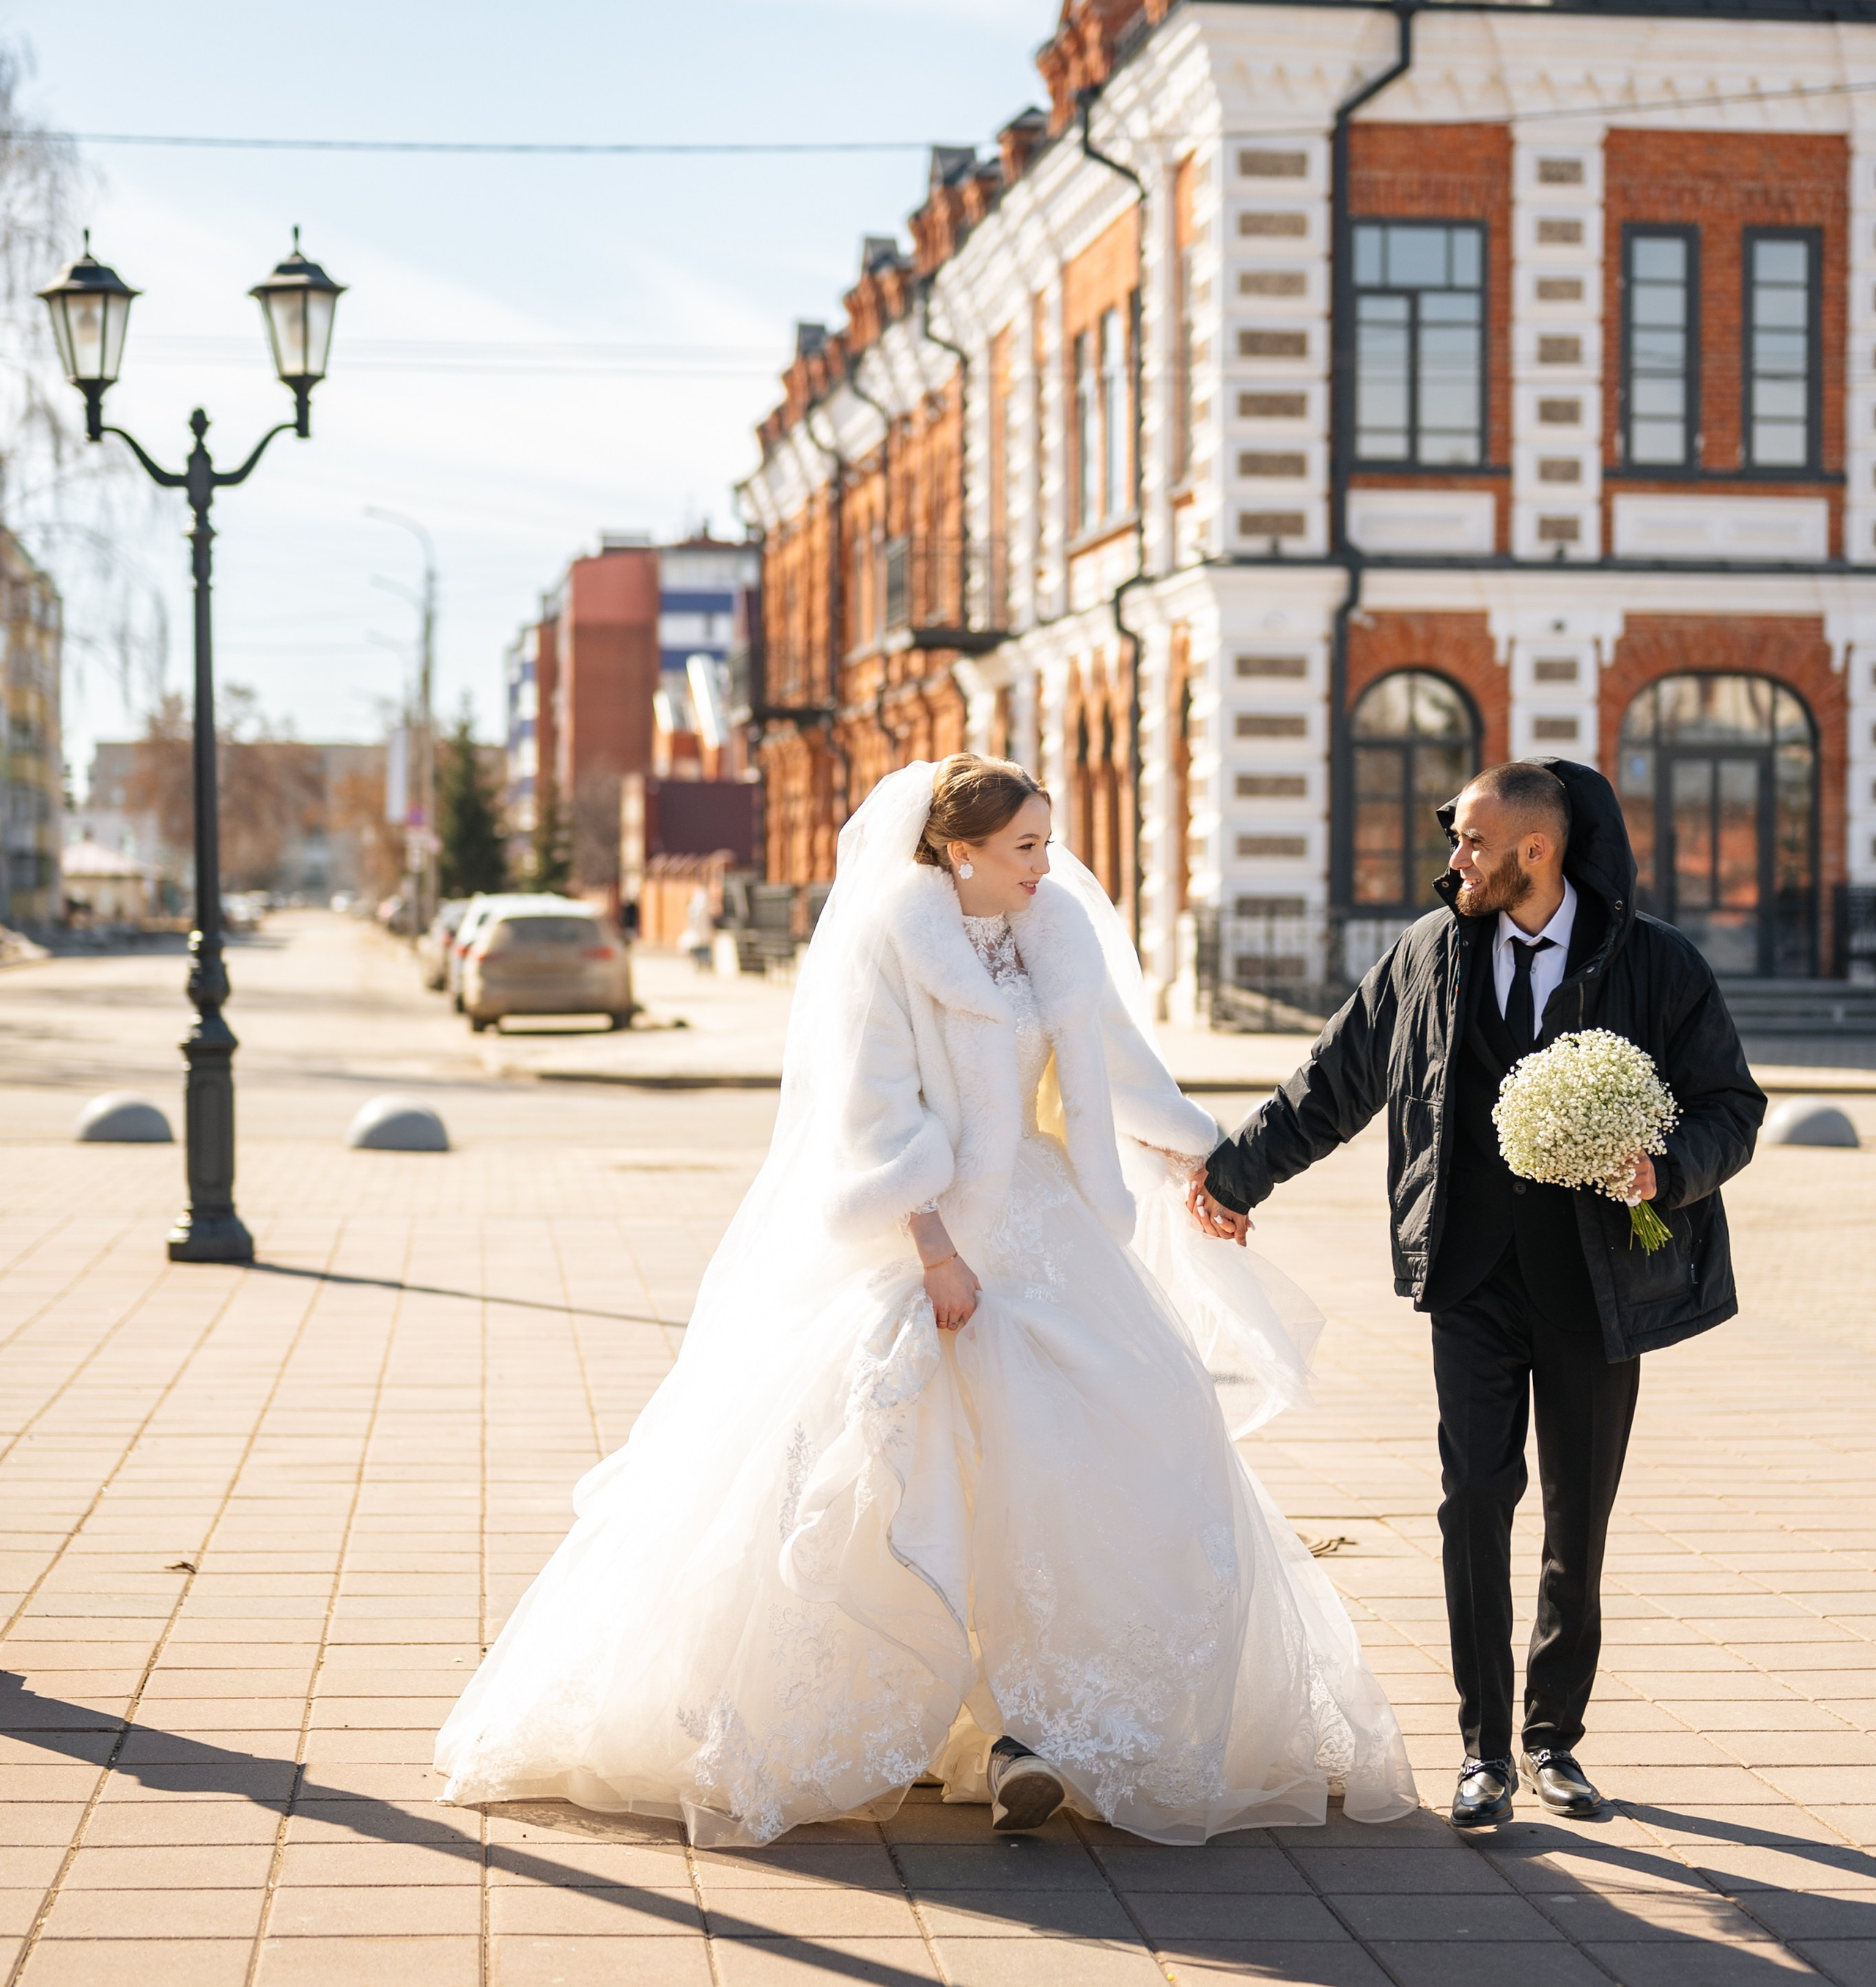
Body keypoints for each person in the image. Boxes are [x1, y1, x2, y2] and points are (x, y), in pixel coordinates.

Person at [437, 754, 1415, 1846]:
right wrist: (935, 1248)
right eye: (1025, 848)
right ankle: (932, 1725)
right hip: (934, 1241)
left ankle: (1040, 1733)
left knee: (1126, 1440)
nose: (1049, 865)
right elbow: (874, 1114)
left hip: (1051, 1228)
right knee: (907, 1471)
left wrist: (1210, 1163)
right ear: (961, 850)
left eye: (1046, 841)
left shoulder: (1057, 932)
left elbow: (1121, 1073)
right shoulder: (888, 944)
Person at [1191, 758, 1764, 1830]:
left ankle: (1556, 1740)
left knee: (1576, 1520)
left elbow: (1732, 1104)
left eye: (1472, 844)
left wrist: (1664, 1166)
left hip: (1602, 1286)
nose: (1452, 859)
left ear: (1536, 853)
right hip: (1471, 1277)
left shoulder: (1656, 963)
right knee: (1472, 1503)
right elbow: (1336, 1077)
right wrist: (1235, 1174)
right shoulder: (1429, 953)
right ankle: (1484, 1749)